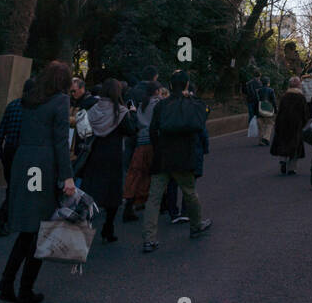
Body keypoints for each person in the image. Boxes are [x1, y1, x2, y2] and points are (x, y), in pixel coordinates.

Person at [0, 61, 73, 303]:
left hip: (24, 161)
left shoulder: (29, 99)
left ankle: (7, 282)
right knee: (42, 230)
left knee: (29, 229)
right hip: (45, 163)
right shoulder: (60, 101)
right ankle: (25, 289)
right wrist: (68, 176)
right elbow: (60, 141)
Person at [142, 70, 212, 253]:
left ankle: (149, 238)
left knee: (154, 198)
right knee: (190, 192)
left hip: (163, 155)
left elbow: (152, 130)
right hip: (184, 155)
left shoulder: (161, 106)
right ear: (187, 85)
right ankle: (196, 225)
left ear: (170, 86)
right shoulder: (194, 104)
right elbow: (204, 115)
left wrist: (158, 147)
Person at [75, 78, 128, 242]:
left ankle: (82, 230)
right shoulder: (121, 111)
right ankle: (108, 228)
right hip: (113, 157)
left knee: (90, 194)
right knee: (113, 195)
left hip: (95, 155)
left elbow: (84, 130)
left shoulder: (93, 109)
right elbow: (131, 129)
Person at [0, 78, 33, 236]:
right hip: (25, 152)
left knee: (12, 185)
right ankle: (2, 219)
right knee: (22, 187)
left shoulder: (13, 105)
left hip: (9, 151)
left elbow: (1, 130)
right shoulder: (35, 108)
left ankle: (8, 219)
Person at [121, 67, 162, 222]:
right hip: (153, 142)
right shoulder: (158, 104)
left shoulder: (136, 97)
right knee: (155, 174)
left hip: (138, 139)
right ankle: (152, 204)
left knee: (135, 172)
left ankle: (130, 201)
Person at [271, 76, 308, 174]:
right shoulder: (301, 97)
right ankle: (292, 168)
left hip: (283, 122)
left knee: (283, 141)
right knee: (295, 145)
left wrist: (277, 123)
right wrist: (304, 123)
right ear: (298, 85)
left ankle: (282, 160)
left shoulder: (285, 96)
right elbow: (304, 112)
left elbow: (280, 111)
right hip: (296, 124)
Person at [254, 76, 277, 146]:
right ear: (268, 83)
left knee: (261, 126)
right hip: (268, 110)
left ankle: (261, 140)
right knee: (269, 124)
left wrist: (255, 111)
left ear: (261, 83)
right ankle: (265, 138)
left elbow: (255, 101)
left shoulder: (257, 91)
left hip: (259, 110)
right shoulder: (271, 90)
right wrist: (275, 110)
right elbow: (273, 101)